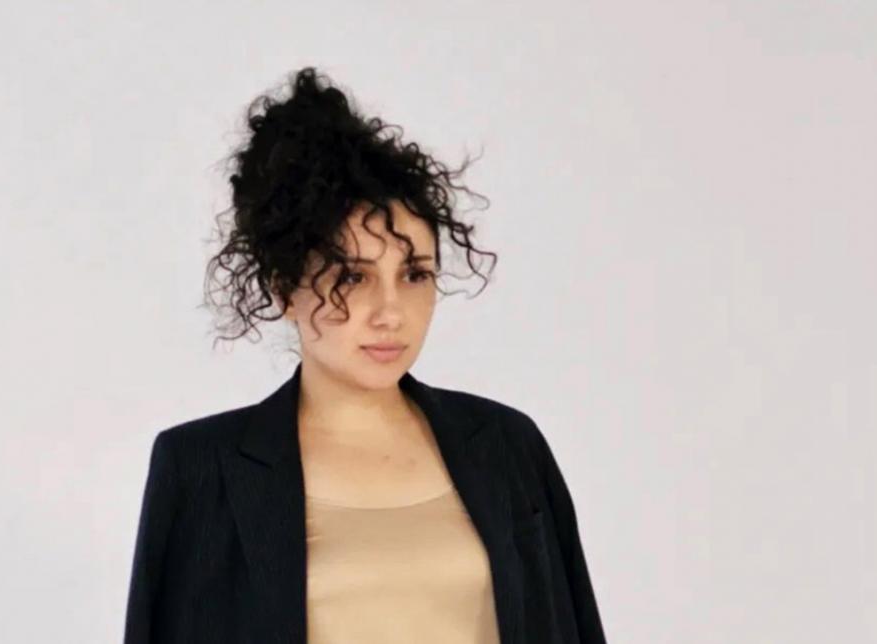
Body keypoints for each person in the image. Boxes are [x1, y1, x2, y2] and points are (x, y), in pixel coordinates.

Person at [123, 66, 607, 644]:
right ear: (284, 289)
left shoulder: (507, 446)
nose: (390, 311)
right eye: (352, 277)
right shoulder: (201, 469)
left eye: (414, 274)